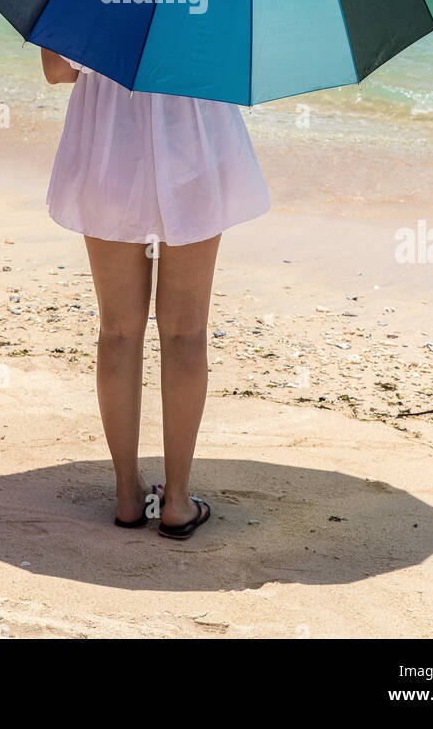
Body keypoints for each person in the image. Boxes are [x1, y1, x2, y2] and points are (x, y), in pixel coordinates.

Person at [40, 47, 270, 541]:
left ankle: (128, 496)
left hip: (109, 152)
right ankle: (178, 502)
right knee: (185, 332)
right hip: (195, 143)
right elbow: (243, 65)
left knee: (119, 331)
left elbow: (56, 70)